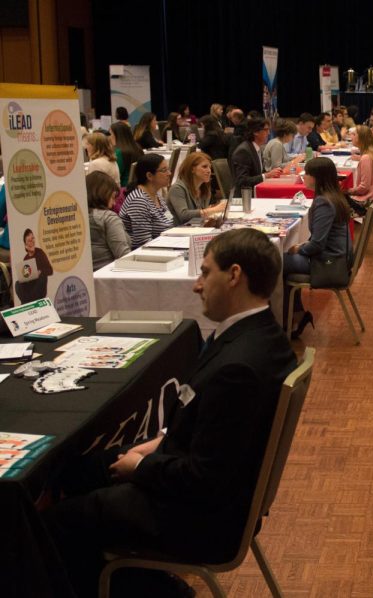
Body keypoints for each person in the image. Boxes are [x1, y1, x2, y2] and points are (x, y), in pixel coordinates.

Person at [42, 227, 298, 597]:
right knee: (79, 468)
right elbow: (213, 430)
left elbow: (205, 478)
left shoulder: (238, 367)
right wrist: (159, 441)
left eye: (206, 272)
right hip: (205, 486)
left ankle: (132, 585)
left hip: (200, 518)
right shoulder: (265, 338)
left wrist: (141, 466)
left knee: (56, 524)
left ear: (235, 276)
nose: (197, 285)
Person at [283, 158, 353, 338]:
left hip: (329, 263)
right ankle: (293, 316)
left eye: (307, 173)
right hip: (336, 258)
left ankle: (286, 319)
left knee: (276, 262)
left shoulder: (324, 202)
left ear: (317, 178)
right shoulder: (334, 197)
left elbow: (317, 244)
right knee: (282, 262)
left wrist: (299, 249)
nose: (303, 177)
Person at [119, 153, 174, 249]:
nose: (169, 173)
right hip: (148, 255)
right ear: (149, 176)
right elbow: (144, 244)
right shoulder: (138, 201)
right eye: (164, 170)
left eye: (168, 169)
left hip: (165, 247)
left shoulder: (157, 195)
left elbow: (169, 222)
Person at [167, 151, 226, 225]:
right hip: (178, 231)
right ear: (192, 169)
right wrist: (214, 210)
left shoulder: (205, 189)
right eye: (204, 167)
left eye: (210, 167)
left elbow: (202, 215)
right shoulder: (177, 189)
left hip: (195, 228)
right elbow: (184, 215)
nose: (209, 171)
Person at [86, 171, 130, 270]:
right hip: (109, 275)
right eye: (113, 197)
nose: (114, 203)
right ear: (103, 193)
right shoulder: (108, 218)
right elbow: (123, 256)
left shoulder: (76, 217)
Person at [230, 117, 283, 191]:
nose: (269, 133)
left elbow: (259, 173)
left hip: (256, 191)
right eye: (266, 130)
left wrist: (272, 173)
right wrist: (267, 175)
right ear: (255, 132)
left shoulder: (256, 148)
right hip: (245, 197)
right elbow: (242, 181)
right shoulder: (243, 151)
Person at [347, 124, 373, 210]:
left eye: (354, 134)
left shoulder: (366, 158)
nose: (351, 136)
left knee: (336, 199)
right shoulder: (371, 154)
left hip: (366, 202)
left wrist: (348, 190)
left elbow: (364, 188)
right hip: (372, 199)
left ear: (361, 139)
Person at [13, 228, 53, 303]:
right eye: (29, 241)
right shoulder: (26, 258)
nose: (31, 242)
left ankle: (27, 302)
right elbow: (26, 276)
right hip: (30, 287)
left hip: (39, 287)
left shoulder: (40, 253)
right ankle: (27, 302)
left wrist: (40, 271)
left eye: (32, 239)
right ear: (25, 244)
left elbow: (50, 270)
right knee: (17, 284)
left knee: (42, 277)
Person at [110, 121, 142, 187]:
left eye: (111, 134)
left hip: (123, 188)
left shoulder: (119, 152)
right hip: (136, 186)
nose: (110, 137)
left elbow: (116, 174)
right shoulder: (137, 147)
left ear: (117, 135)